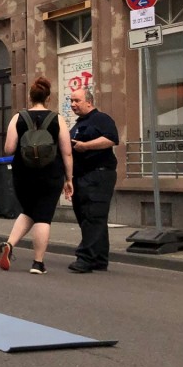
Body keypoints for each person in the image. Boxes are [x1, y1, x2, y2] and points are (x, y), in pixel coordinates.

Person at [0, 78, 74, 274]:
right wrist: (69, 178)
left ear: (30, 98)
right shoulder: (57, 119)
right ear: (48, 98)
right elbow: (67, 152)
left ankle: (10, 244)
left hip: (23, 174)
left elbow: (8, 149)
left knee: (30, 209)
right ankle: (38, 263)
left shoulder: (17, 118)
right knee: (43, 216)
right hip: (50, 173)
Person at [67, 88, 119, 273]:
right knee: (88, 217)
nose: (73, 104)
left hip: (99, 174)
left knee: (93, 216)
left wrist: (86, 146)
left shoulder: (101, 119)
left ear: (88, 101)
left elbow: (112, 139)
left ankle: (85, 258)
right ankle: (99, 259)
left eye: (77, 101)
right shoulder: (77, 125)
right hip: (82, 177)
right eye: (71, 101)